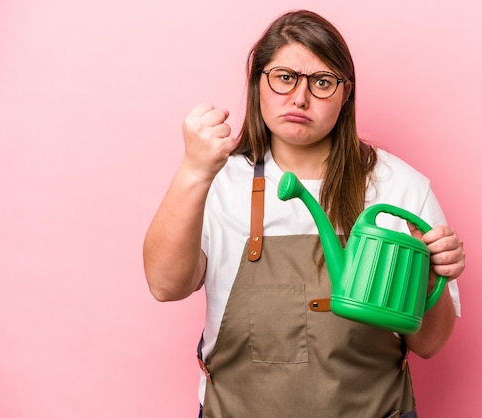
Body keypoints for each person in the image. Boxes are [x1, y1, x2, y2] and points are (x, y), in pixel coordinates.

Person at [143, 9, 465, 418]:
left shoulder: (401, 187)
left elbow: (430, 345)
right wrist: (193, 170)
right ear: (257, 82)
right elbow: (165, 286)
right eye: (284, 77)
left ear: (345, 94)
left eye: (322, 82)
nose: (300, 97)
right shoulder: (217, 181)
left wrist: (434, 273)